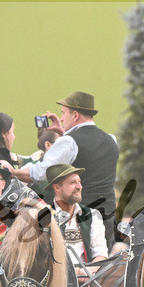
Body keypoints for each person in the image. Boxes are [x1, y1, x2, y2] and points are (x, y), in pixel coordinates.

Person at [15, 91, 119, 249]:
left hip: (79, 220)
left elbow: (38, 174)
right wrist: (64, 133)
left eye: (63, 114)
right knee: (103, 267)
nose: (61, 118)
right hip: (108, 215)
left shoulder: (69, 142)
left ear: (75, 115)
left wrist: (10, 171)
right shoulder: (111, 139)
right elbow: (87, 150)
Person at [46, 163, 107, 270]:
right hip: (54, 281)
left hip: (86, 280)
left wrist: (88, 272)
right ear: (57, 188)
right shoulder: (43, 215)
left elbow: (100, 253)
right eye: (73, 183)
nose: (79, 187)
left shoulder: (92, 215)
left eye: (79, 182)